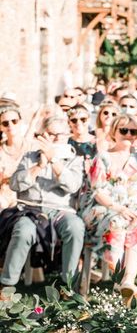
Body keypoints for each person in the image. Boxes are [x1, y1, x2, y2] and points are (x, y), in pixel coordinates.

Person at [82, 114, 137, 300]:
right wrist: (118, 208)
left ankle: (127, 281)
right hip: (105, 208)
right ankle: (117, 279)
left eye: (133, 132)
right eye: (124, 130)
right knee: (117, 224)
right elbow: (97, 191)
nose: (128, 135)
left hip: (134, 209)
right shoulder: (103, 157)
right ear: (114, 132)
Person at [0, 116, 85, 287]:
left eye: (58, 135)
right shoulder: (30, 157)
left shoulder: (74, 159)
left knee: (75, 228)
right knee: (23, 231)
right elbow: (15, 184)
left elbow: (73, 186)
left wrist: (53, 161)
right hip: (30, 209)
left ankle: (68, 285)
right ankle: (8, 285)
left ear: (67, 135)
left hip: (61, 210)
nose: (53, 139)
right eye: (49, 134)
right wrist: (38, 166)